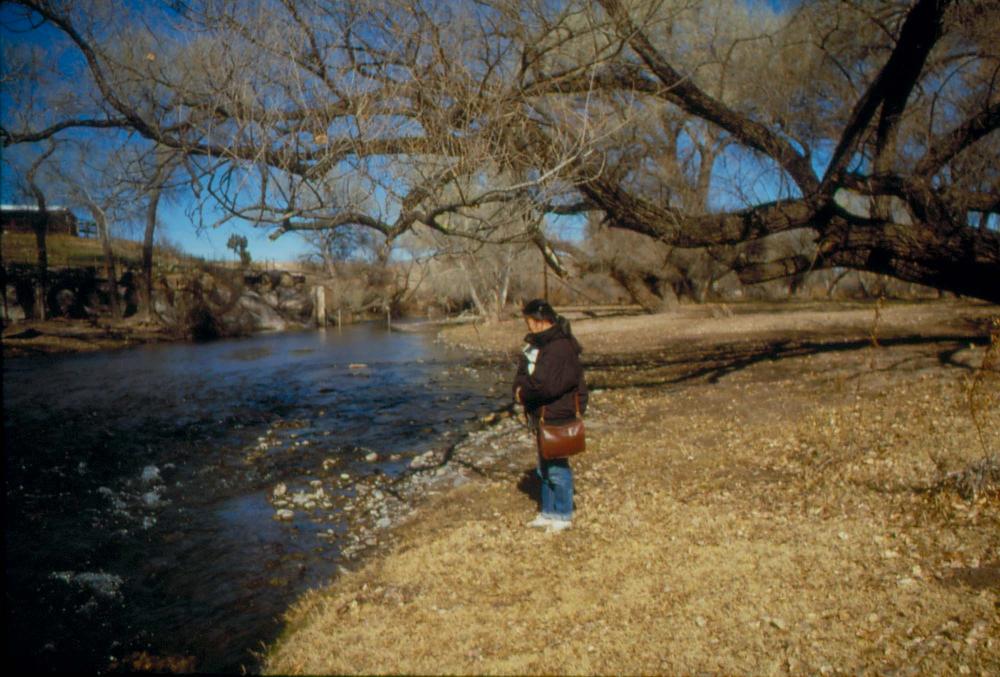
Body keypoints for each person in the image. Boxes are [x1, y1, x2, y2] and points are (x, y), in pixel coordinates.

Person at [512, 299, 588, 533]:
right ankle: (548, 512)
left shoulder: (559, 347)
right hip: (543, 413)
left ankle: (563, 514)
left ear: (541, 320)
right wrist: (521, 388)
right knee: (543, 466)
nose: (528, 326)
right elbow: (524, 375)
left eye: (530, 321)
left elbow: (546, 387)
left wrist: (522, 392)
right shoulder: (539, 345)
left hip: (557, 413)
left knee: (557, 467)